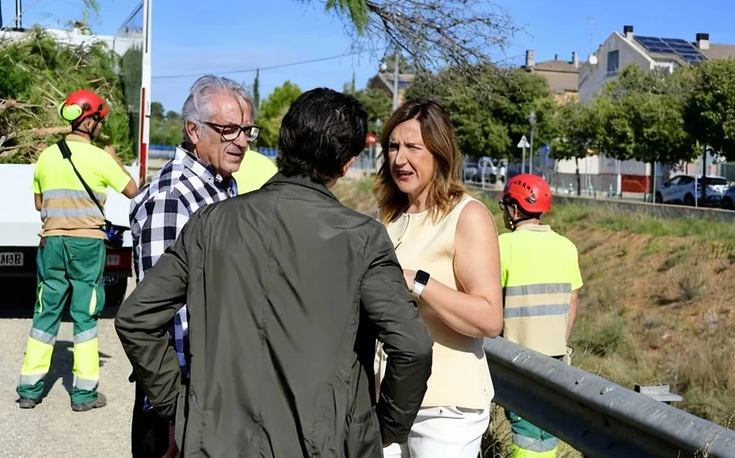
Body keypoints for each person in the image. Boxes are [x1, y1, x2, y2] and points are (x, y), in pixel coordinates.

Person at [116, 87, 434, 456]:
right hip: (325, 445)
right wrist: (383, 428)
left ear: (284, 142)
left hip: (218, 443)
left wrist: (184, 409)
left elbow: (136, 318)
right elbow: (412, 345)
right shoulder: (362, 237)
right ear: (347, 163)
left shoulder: (209, 223)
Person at [128, 74, 257, 456]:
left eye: (247, 131)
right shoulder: (173, 198)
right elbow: (160, 318)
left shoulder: (220, 185)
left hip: (210, 396)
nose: (241, 141)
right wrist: (175, 413)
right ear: (193, 130)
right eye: (228, 129)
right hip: (179, 405)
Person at [374, 98, 503, 458]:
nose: (400, 159)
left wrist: (419, 282)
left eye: (413, 147)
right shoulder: (388, 217)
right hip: (387, 402)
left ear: (439, 153)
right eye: (393, 147)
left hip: (446, 410)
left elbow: (490, 319)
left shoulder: (468, 215)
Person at [16, 89, 140, 411]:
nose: (101, 126)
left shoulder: (46, 156)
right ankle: (84, 395)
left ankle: (29, 390)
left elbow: (39, 204)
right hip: (87, 245)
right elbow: (133, 191)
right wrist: (114, 158)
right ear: (89, 121)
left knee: (45, 312)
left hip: (52, 242)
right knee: (85, 316)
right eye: (100, 120)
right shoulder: (100, 158)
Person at [497, 173, 581, 458]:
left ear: (515, 209)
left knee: (526, 429)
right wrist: (559, 342)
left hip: (518, 357)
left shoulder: (505, 245)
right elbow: (572, 300)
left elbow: (490, 300)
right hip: (556, 356)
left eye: (506, 206)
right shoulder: (566, 246)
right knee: (546, 427)